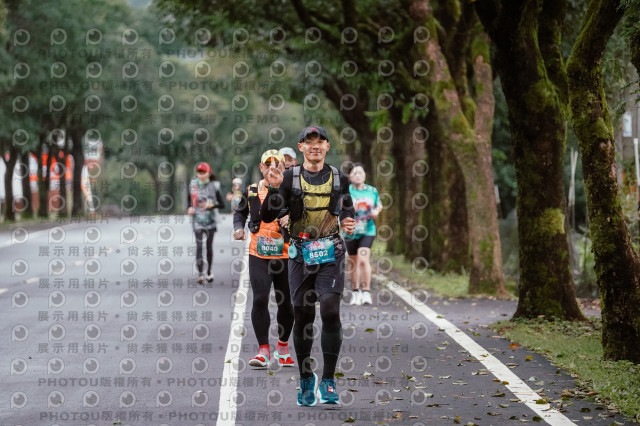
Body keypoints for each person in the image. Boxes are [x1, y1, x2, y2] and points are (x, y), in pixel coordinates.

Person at [261, 125, 356, 406]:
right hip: (300, 255)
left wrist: (348, 221)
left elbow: (347, 208)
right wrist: (274, 188)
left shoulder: (339, 178)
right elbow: (267, 215)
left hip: (331, 252)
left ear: (327, 146)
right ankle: (305, 378)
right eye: (309, 142)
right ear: (301, 147)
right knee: (303, 317)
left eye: (320, 141)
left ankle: (328, 380)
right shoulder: (289, 178)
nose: (315, 146)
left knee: (330, 311)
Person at [232, 150, 295, 368]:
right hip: (258, 253)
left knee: (286, 302)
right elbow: (240, 212)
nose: (272, 168)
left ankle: (283, 347)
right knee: (259, 299)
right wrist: (239, 228)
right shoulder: (251, 190)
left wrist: (291, 217)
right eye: (268, 164)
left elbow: (303, 213)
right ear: (261, 168)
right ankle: (263, 350)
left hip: (286, 254)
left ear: (284, 167)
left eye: (277, 164)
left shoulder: (291, 190)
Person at [342, 163, 382, 305]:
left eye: (360, 173)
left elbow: (379, 205)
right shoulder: (346, 191)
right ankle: (355, 292)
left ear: (365, 175)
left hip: (367, 230)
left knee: (363, 259)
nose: (358, 175)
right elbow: (340, 208)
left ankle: (366, 292)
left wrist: (376, 211)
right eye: (355, 173)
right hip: (350, 231)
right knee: (353, 261)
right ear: (349, 176)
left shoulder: (372, 191)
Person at [187, 162, 225, 284]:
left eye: (204, 172)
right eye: (199, 172)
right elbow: (189, 201)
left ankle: (209, 271)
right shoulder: (193, 185)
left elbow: (222, 204)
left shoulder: (214, 186)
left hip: (211, 221)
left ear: (209, 173)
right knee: (199, 247)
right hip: (197, 221)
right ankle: (200, 274)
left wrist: (211, 205)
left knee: (208, 247)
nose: (201, 175)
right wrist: (189, 208)